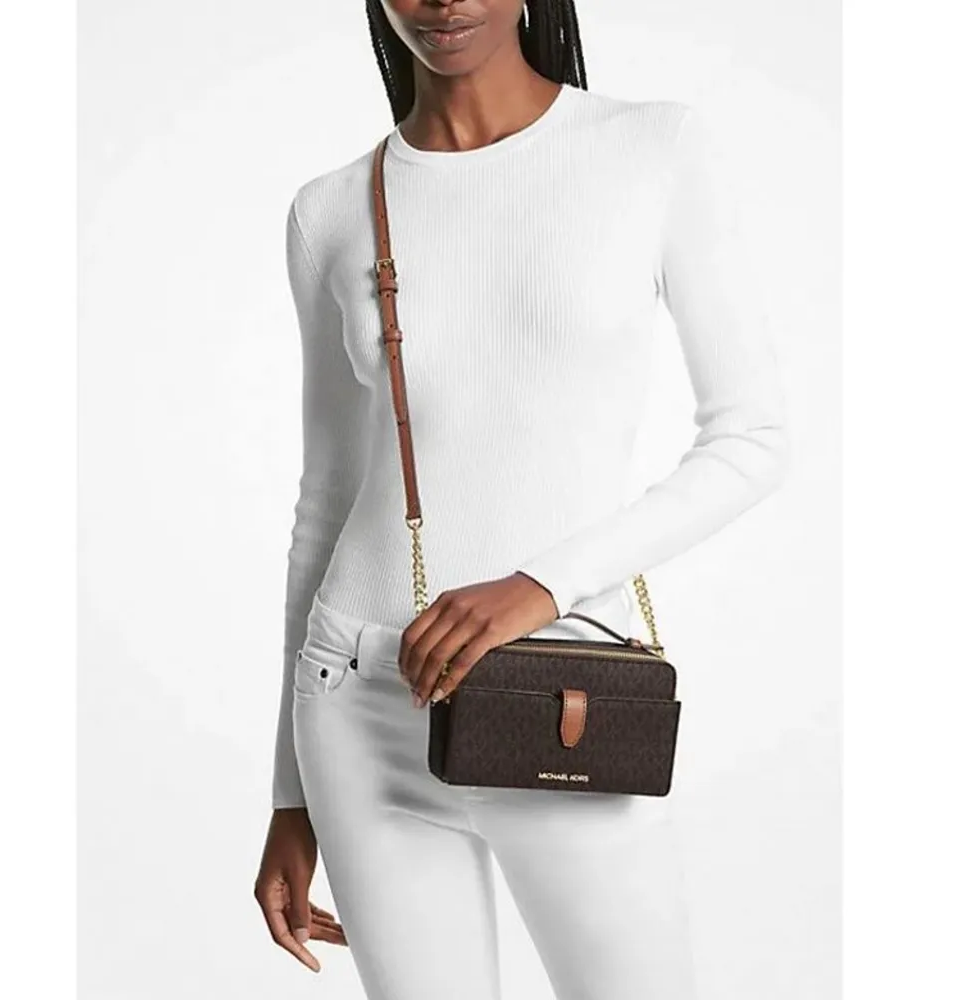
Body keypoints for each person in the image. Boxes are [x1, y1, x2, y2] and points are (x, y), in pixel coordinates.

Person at [254, 2, 790, 997]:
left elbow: (752, 440)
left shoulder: (650, 149)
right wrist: (291, 798)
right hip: (359, 701)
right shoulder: (330, 210)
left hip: (563, 695)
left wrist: (540, 586)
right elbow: (324, 497)